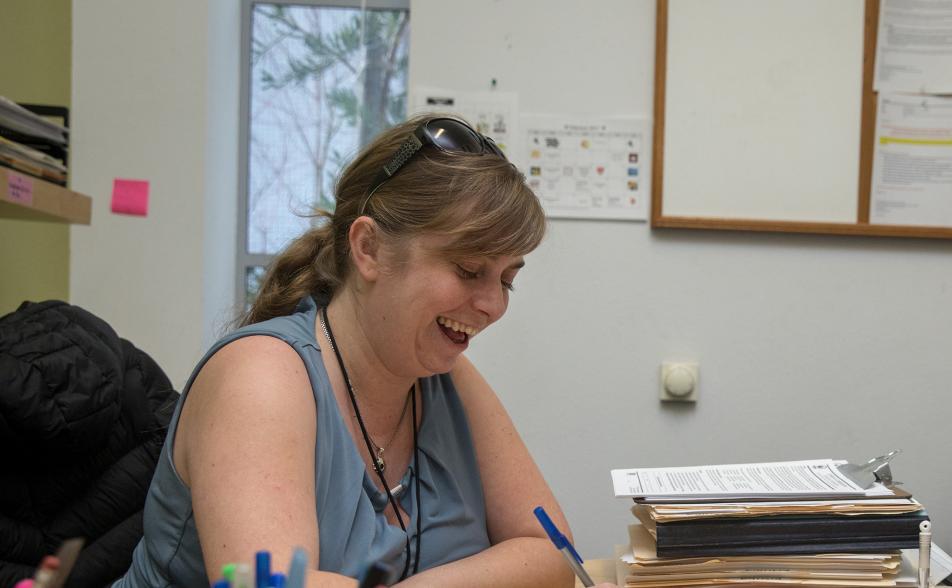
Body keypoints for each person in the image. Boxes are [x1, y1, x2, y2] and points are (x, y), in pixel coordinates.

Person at [117, 116, 613, 587]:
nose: (492, 306)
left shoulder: (449, 379)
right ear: (369, 248)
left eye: (508, 280)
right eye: (468, 269)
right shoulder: (261, 377)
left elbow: (550, 552)